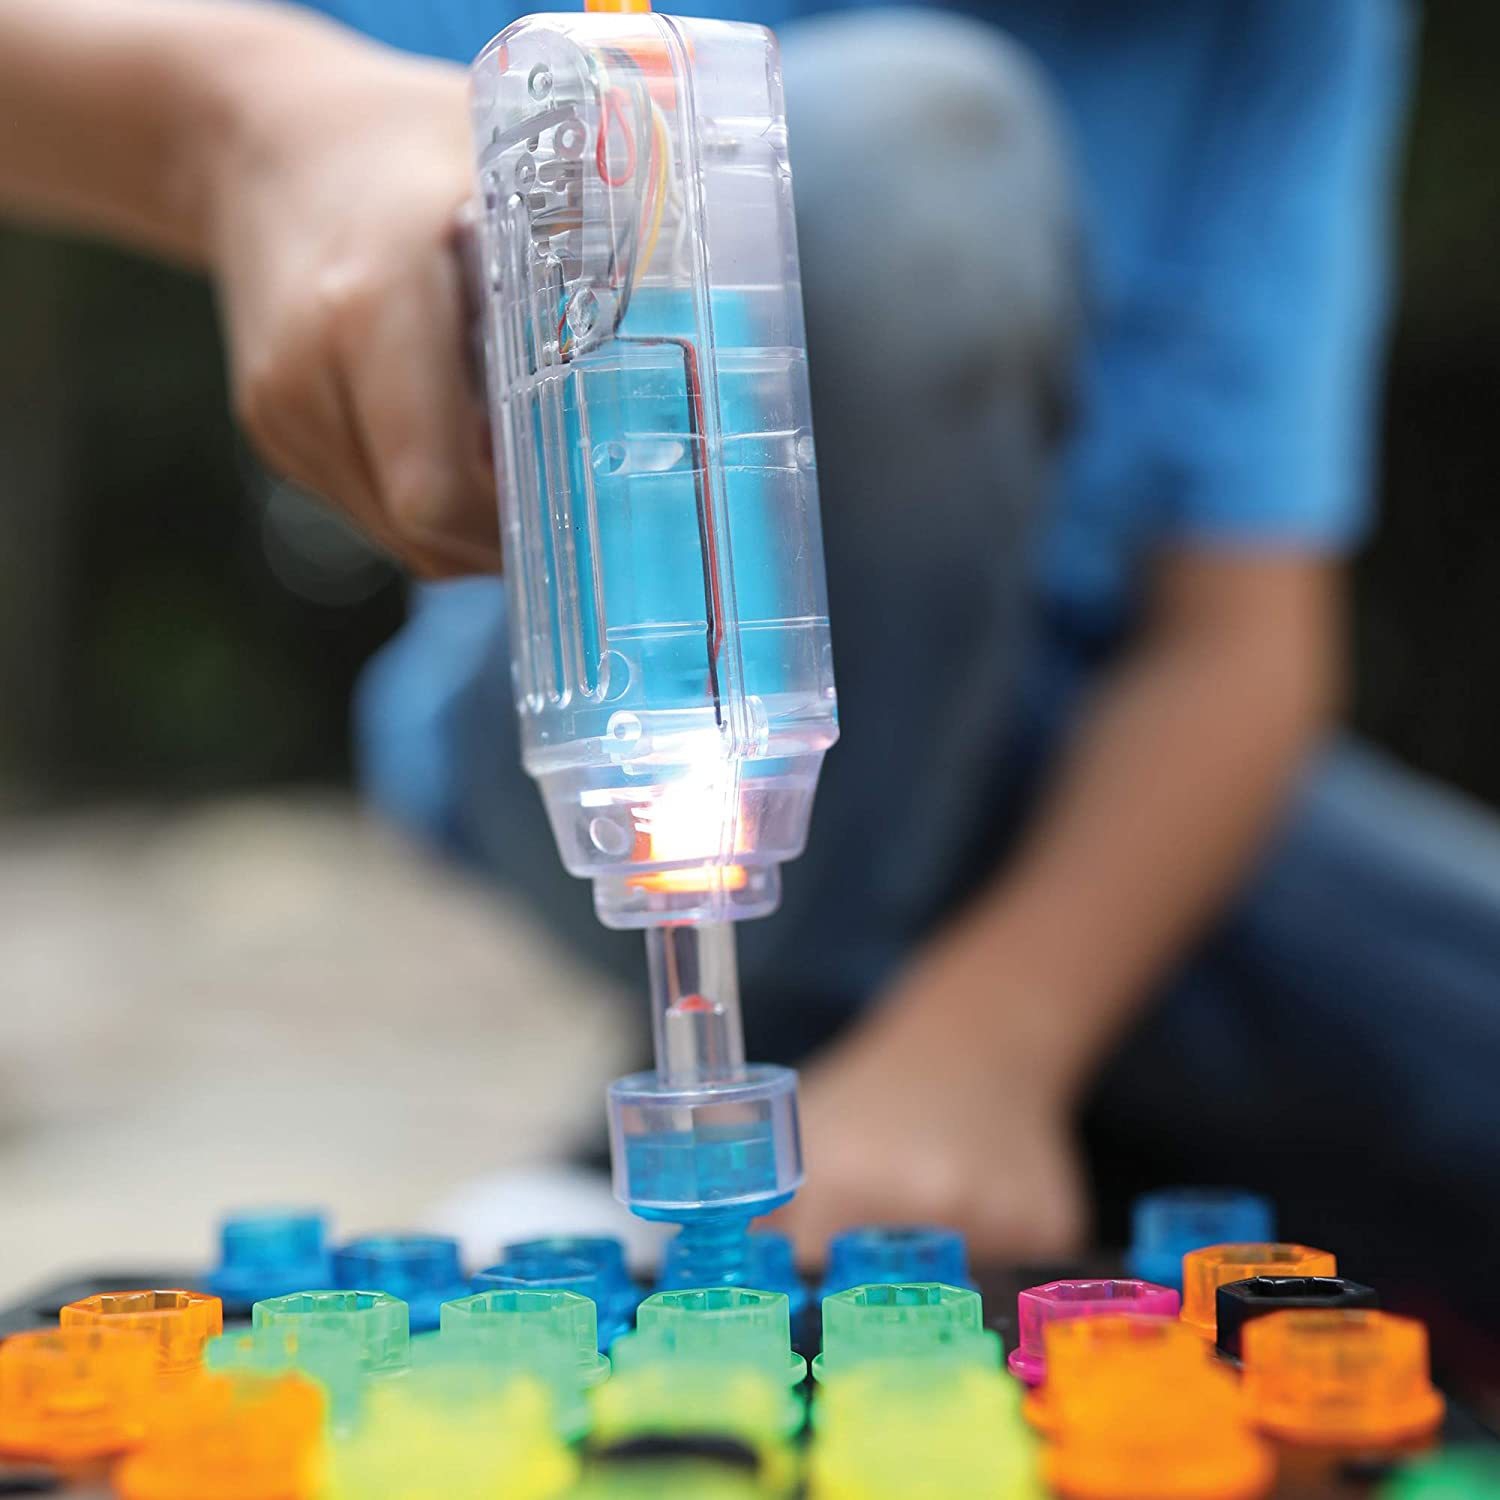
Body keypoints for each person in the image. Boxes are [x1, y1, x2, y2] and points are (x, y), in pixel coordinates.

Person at [5, 0, 1498, 1306]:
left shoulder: (1278, 27)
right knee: (909, 143)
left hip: (1090, 800)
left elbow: (1238, 653)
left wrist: (990, 1049)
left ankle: (908, 1126)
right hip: (595, 728)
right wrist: (252, 115)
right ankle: (832, 1111)